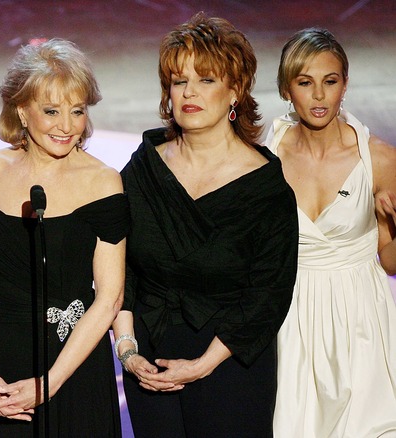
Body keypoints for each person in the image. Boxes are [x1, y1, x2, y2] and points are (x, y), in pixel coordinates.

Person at [111, 12, 299, 437]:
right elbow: (121, 270)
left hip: (229, 364)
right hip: (149, 361)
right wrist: (127, 350)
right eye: (179, 81)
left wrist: (202, 365)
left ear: (235, 91)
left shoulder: (265, 188)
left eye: (207, 80)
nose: (189, 92)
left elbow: (267, 296)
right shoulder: (143, 168)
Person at [0, 38, 128, 437]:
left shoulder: (103, 182)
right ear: (21, 111)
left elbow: (110, 295)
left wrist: (50, 382)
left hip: (73, 361)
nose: (67, 126)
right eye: (51, 111)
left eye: (77, 111)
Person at [266, 27, 396, 437]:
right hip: (290, 320)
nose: (319, 96)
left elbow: (390, 263)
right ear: (287, 89)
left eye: (330, 81)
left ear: (345, 84)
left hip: (361, 322)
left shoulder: (379, 158)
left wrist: (393, 226)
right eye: (305, 83)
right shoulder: (264, 156)